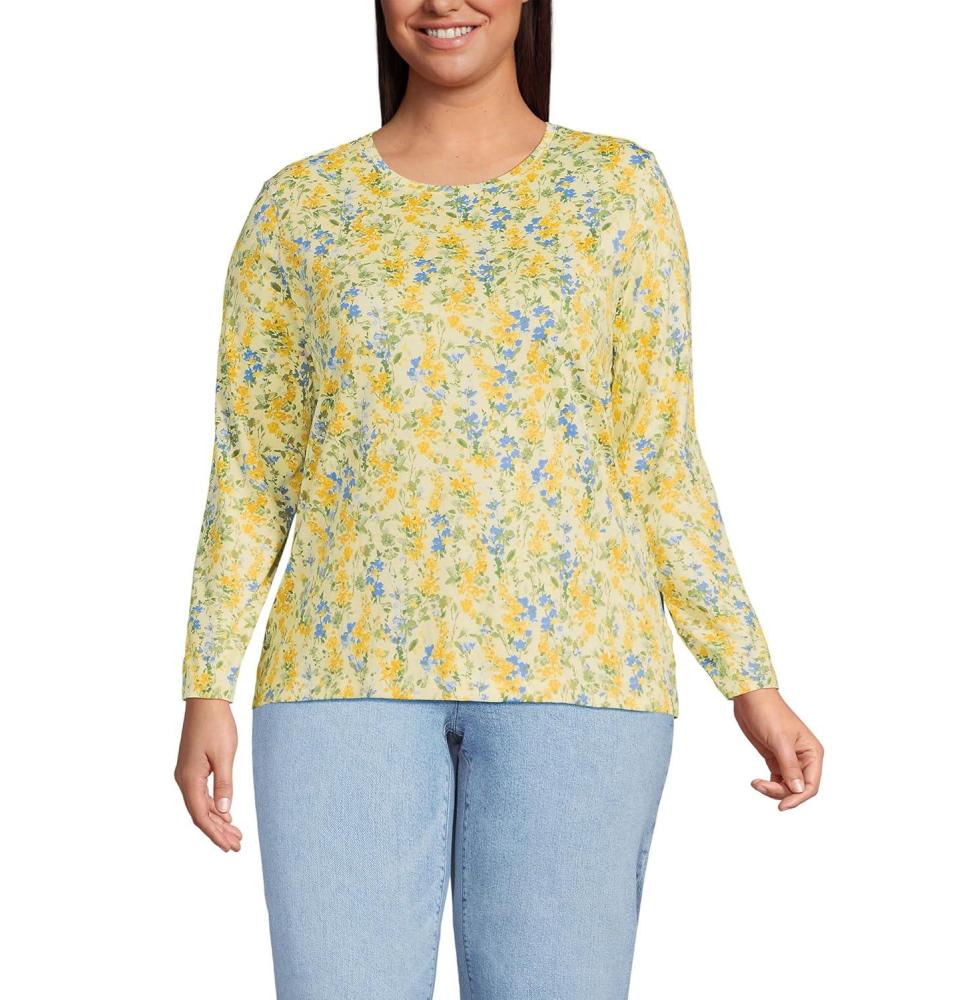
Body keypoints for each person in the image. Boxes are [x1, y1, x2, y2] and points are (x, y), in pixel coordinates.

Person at [174, 2, 824, 997]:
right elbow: (253, 465)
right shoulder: (301, 207)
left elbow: (657, 452)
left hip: (582, 676)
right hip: (340, 672)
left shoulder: (617, 191)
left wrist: (749, 678)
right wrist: (206, 684)